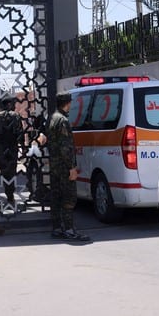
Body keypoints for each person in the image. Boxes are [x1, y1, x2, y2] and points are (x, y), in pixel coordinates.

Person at [46, 92, 90, 241]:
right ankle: (69, 230)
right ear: (67, 103)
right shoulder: (63, 120)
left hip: (55, 165)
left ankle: (57, 228)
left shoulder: (52, 118)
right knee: (69, 198)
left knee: (56, 197)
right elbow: (65, 147)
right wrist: (71, 168)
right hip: (64, 166)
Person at [0, 92, 23, 215]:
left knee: (4, 172)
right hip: (12, 148)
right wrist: (23, 148)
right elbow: (20, 133)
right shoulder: (16, 116)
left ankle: (9, 194)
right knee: (11, 171)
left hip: (1, 149)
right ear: (10, 104)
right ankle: (10, 195)